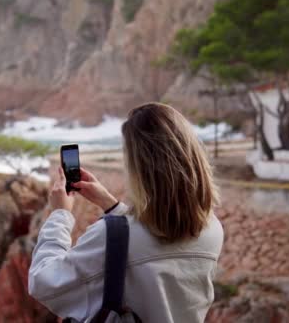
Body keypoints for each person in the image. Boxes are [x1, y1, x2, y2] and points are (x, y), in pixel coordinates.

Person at [28, 103, 224, 322]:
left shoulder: (110, 236)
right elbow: (152, 237)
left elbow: (43, 282)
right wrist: (111, 205)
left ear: (139, 168)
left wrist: (60, 215)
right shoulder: (212, 228)